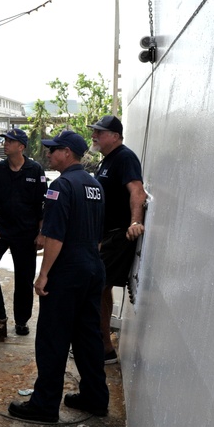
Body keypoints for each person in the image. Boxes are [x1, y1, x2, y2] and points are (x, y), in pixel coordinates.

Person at [8, 130, 109, 423]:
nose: (49, 155)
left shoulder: (60, 187)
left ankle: (44, 405)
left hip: (67, 271)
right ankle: (95, 397)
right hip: (93, 266)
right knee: (88, 336)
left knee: (53, 338)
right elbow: (98, 234)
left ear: (67, 153)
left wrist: (43, 275)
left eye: (53, 150)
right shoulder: (95, 186)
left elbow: (53, 236)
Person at [0, 128, 47, 335]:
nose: (4, 144)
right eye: (5, 140)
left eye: (9, 141)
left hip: (27, 232)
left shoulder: (35, 170)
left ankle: (22, 320)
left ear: (21, 147)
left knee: (24, 277)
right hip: (2, 229)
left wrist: (41, 232)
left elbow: (43, 204)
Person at [89, 115, 146, 364]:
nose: (94, 136)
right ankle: (103, 347)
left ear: (115, 136)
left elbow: (137, 190)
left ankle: (102, 348)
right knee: (101, 289)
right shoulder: (107, 161)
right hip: (105, 237)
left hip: (117, 237)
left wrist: (135, 222)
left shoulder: (124, 157)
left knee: (96, 287)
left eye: (99, 133)